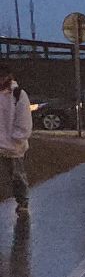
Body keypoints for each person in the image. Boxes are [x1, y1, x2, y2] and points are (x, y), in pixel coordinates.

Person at [0, 63, 30, 216]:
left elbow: (24, 119)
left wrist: (17, 138)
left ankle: (22, 201)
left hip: (12, 146)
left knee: (16, 175)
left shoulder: (18, 95)